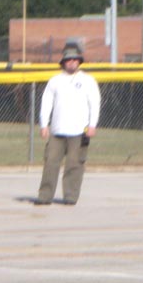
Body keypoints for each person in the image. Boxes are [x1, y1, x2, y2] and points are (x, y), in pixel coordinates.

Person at [34, 43, 100, 205]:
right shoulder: (55, 81)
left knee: (74, 165)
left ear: (79, 61)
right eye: (69, 59)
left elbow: (95, 103)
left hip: (79, 132)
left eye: (75, 59)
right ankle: (45, 196)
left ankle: (70, 196)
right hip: (57, 131)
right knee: (50, 163)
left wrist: (92, 125)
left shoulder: (88, 81)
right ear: (63, 62)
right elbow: (46, 103)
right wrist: (44, 125)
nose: (72, 62)